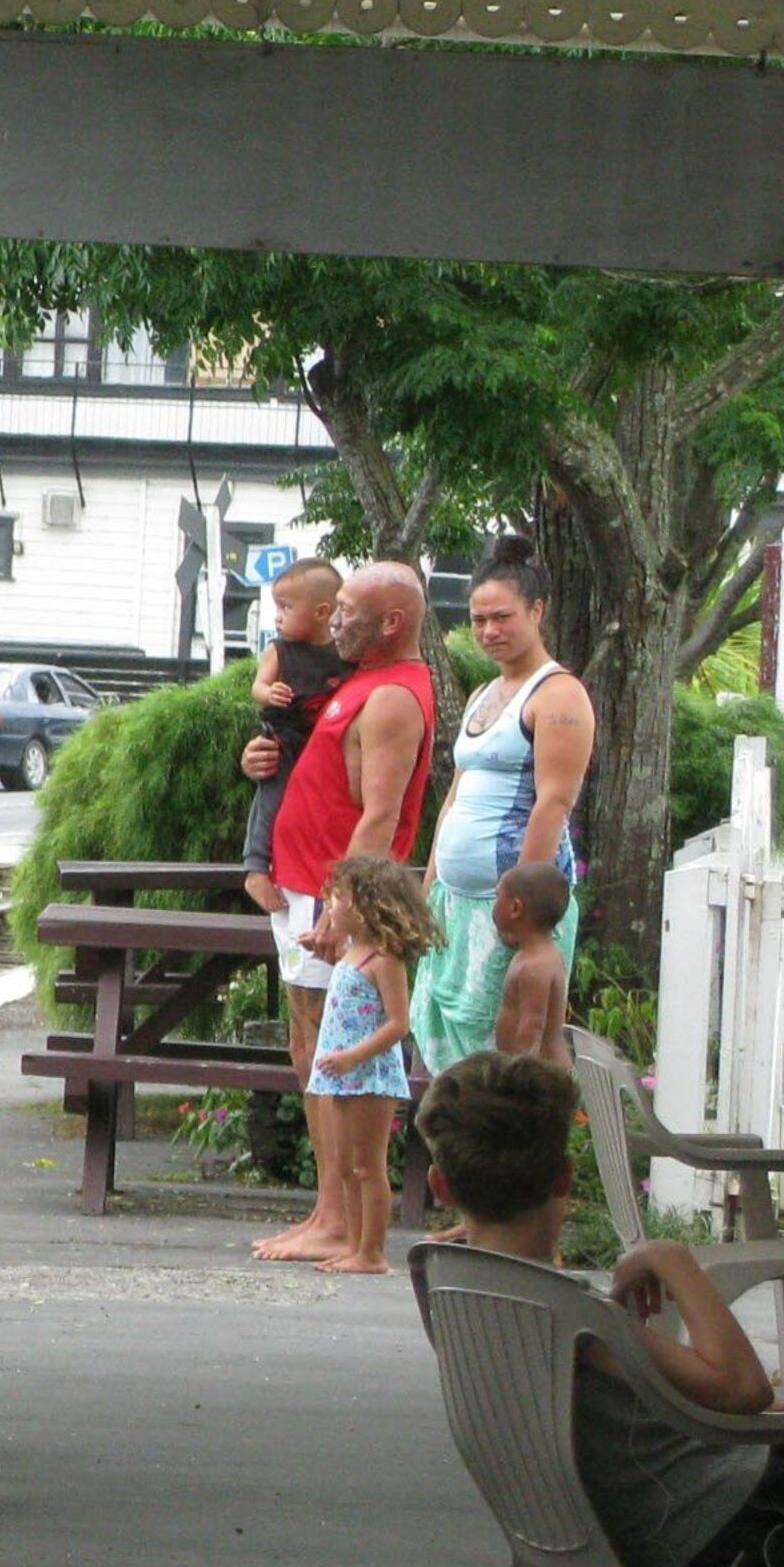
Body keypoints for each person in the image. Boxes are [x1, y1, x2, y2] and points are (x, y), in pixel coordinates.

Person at [419, 1050, 784, 1567]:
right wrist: (670, 1257)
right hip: (712, 1527)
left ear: (440, 1186)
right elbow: (745, 1388)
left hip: (607, 1531)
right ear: (563, 1177)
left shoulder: (457, 1286)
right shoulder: (569, 1314)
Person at [245, 560, 435, 1263]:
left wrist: (342, 905)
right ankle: (327, 1211)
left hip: (327, 896)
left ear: (392, 622)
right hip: (301, 883)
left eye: (351, 610)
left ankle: (339, 1220)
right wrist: (258, 758)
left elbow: (381, 814)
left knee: (328, 1053)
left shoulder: (390, 696)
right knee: (309, 1049)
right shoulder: (355, 681)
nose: (335, 620)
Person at [413, 535, 592, 1073]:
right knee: (446, 1060)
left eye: (502, 617)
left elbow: (552, 803)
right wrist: (431, 887)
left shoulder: (558, 695)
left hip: (511, 907)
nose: (488, 631)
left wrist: (518, 905)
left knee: (505, 1056)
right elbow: (456, 793)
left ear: (537, 611)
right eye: (477, 619)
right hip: (456, 901)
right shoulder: (483, 693)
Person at [289, 853, 433, 1275]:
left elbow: (398, 1024)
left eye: (337, 901)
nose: (330, 908)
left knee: (367, 1166)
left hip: (368, 1075)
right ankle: (353, 1245)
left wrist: (355, 1055)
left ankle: (372, 1253)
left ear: (368, 907)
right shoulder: (352, 954)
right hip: (337, 1075)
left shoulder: (384, 960)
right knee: (346, 1165)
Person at [239, 558, 348, 915]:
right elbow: (258, 685)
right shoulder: (279, 650)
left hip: (324, 751)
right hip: (285, 737)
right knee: (272, 796)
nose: (277, 617)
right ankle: (255, 867)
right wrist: (268, 694)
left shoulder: (346, 656)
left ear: (321, 612)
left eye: (286, 607)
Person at [488, 860, 577, 1064]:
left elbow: (532, 1028)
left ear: (515, 908)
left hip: (542, 1076)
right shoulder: (540, 952)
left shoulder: (533, 967)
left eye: (497, 896)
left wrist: (518, 1074)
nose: (494, 903)